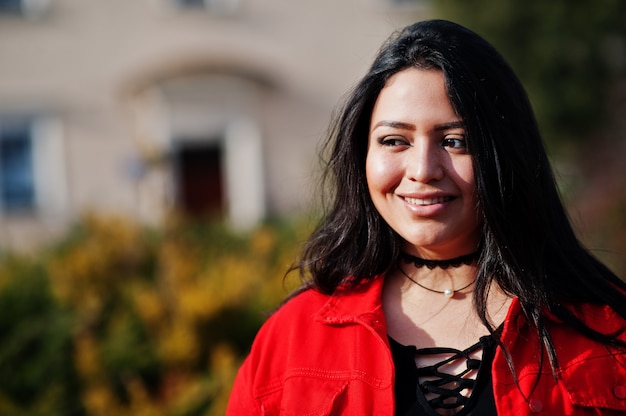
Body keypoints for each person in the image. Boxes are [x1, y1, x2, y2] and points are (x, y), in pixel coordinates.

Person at [226, 19, 626, 415]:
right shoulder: (292, 339)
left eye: (456, 141)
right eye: (394, 141)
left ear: (506, 155)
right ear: (362, 155)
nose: (422, 169)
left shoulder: (606, 329)